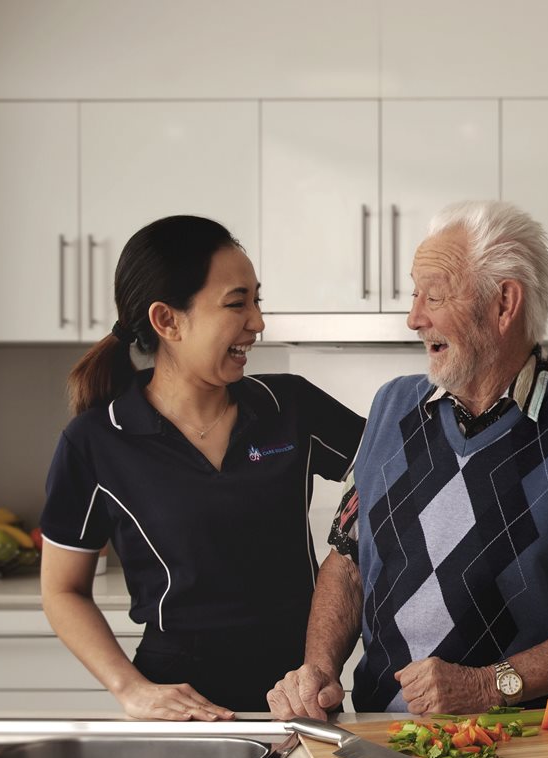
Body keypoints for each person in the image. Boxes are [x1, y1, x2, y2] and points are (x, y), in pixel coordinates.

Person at [268, 201, 548, 719]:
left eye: (433, 296)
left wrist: (489, 686)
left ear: (504, 304)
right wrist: (319, 670)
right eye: (415, 295)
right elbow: (347, 562)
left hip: (521, 750)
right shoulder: (391, 408)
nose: (415, 318)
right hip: (380, 738)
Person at [40, 215, 364, 719]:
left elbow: (399, 474)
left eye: (258, 300)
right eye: (237, 303)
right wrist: (131, 689)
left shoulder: (291, 406)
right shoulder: (95, 442)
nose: (257, 321)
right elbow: (62, 590)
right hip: (183, 701)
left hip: (299, 694)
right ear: (167, 321)